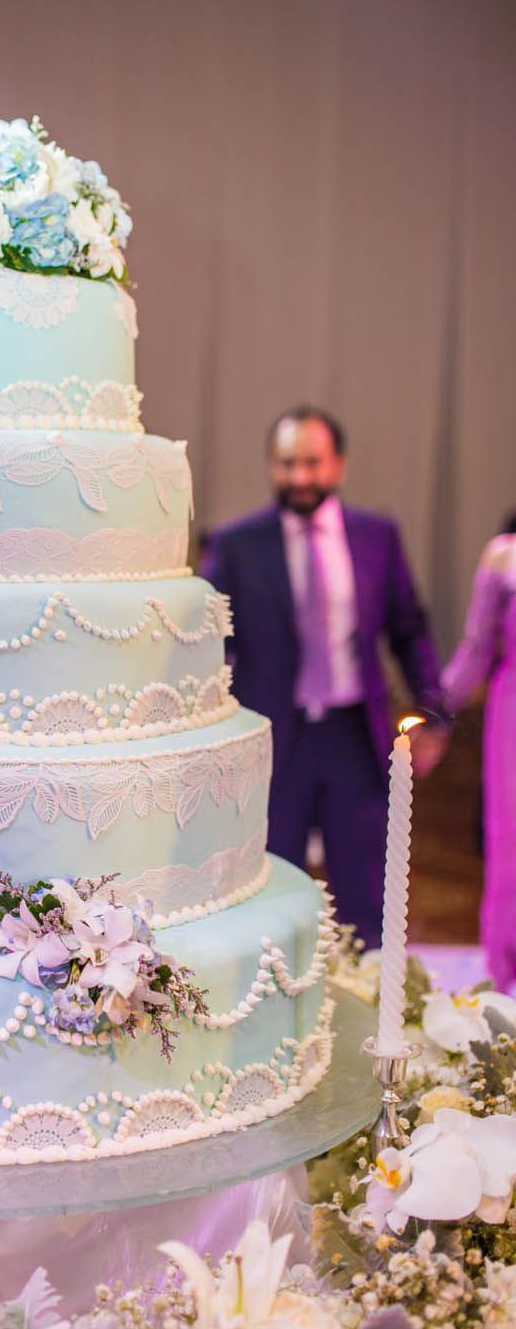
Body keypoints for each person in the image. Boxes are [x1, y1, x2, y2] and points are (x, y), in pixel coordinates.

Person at [204, 404, 448, 946]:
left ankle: (368, 1009)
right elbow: (208, 643)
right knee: (269, 890)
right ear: (271, 465)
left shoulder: (376, 536)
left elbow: (409, 629)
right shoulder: (237, 544)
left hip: (353, 741)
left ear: (338, 464)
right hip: (271, 742)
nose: (300, 477)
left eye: (312, 462)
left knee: (367, 895)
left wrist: (434, 714)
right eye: (286, 463)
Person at [442, 525, 516, 990]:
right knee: (510, 841)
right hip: (513, 714)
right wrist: (434, 710)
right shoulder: (504, 558)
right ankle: (504, 971)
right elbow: (477, 647)